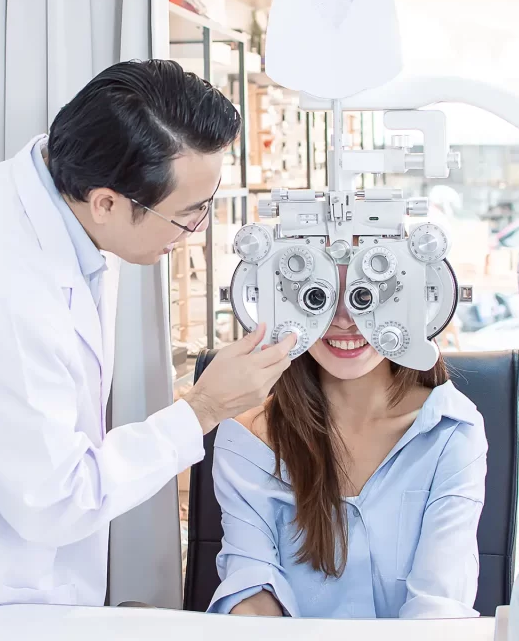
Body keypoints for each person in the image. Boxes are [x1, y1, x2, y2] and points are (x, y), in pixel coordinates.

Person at [0, 60, 296, 641]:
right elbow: (54, 499)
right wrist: (201, 411)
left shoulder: (66, 203)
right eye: (187, 215)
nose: (193, 229)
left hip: (21, 587)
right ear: (107, 203)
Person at [207, 264, 488, 619]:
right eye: (318, 296)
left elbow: (439, 603)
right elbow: (251, 584)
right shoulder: (248, 439)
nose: (344, 319)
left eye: (365, 295)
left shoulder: (450, 430)